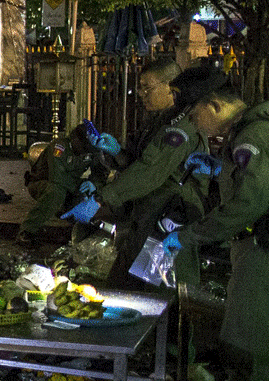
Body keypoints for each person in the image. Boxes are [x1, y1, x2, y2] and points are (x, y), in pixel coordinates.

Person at [62, 59, 226, 285]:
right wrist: (116, 151)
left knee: (158, 293)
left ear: (170, 87)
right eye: (140, 88)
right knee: (129, 286)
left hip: (169, 220)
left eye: (147, 88)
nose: (141, 94)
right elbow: (137, 162)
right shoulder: (159, 122)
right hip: (149, 215)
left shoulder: (180, 127)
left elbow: (150, 171)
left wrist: (102, 199)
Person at [164, 89, 269, 381]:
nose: (195, 124)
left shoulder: (251, 136)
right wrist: (217, 169)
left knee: (246, 346)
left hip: (260, 249)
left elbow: (248, 204)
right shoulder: (251, 130)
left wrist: (191, 235)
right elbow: (246, 181)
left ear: (215, 106)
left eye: (196, 115)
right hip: (255, 245)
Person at [17, 122, 116, 244]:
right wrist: (79, 187)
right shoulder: (59, 147)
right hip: (43, 183)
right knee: (56, 193)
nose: (86, 152)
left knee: (93, 197)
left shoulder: (91, 149)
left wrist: (93, 184)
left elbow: (101, 173)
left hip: (69, 185)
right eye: (84, 146)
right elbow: (58, 178)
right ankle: (27, 231)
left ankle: (80, 231)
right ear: (75, 140)